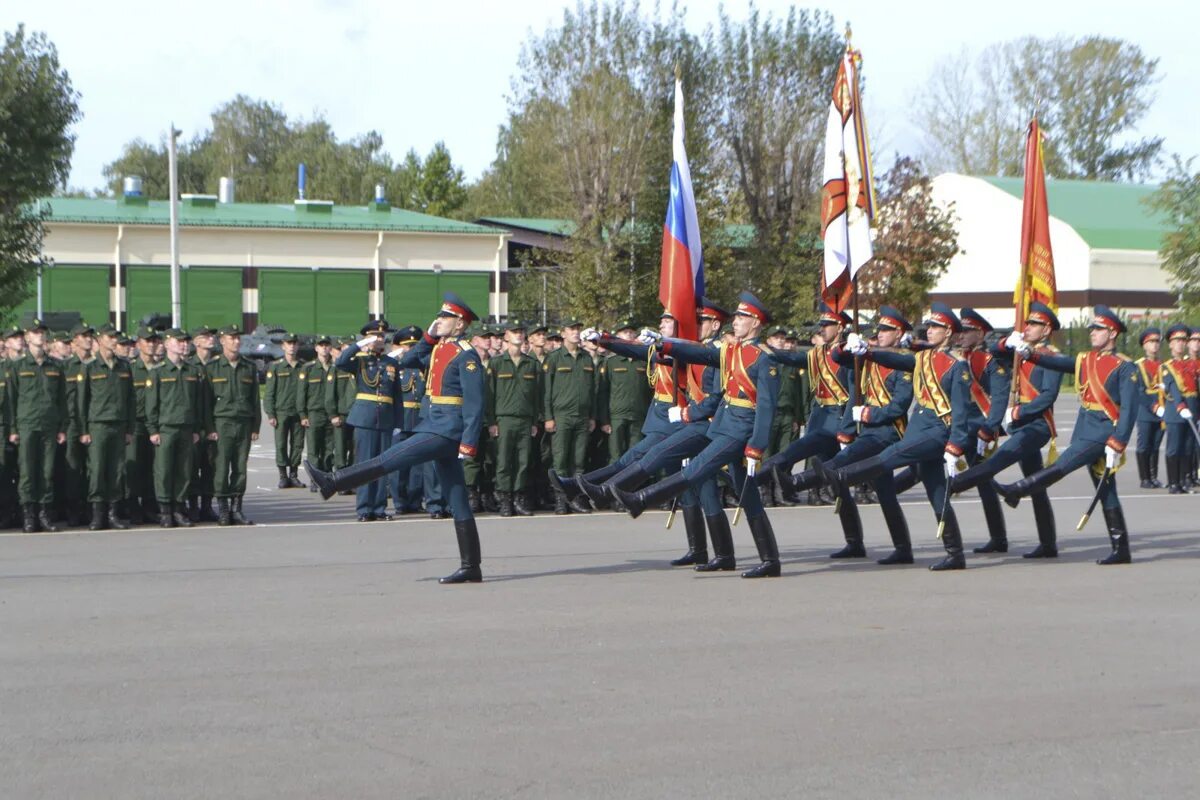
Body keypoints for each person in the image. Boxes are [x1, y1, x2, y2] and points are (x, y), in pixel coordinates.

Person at [306, 293, 487, 584]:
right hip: (435, 424)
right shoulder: (440, 348)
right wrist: (428, 337)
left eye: (445, 318)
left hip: (446, 429)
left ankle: (334, 481)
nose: (438, 320)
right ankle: (471, 566)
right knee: (457, 498)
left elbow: (476, 403)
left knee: (390, 458)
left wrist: (469, 442)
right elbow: (410, 360)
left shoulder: (466, 355)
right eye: (439, 316)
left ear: (459, 324)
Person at [613, 292, 783, 578]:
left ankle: (641, 500)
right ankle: (770, 560)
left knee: (696, 469)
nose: (737, 321)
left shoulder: (764, 358)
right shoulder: (731, 350)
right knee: (748, 497)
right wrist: (665, 344)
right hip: (725, 425)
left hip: (740, 430)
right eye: (738, 316)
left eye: (742, 317)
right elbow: (700, 353)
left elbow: (766, 407)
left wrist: (757, 446)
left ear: (755, 323)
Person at [805, 303, 974, 571]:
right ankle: (954, 553)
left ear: (949, 332)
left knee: (890, 456)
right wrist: (868, 352)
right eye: (929, 326)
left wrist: (955, 446)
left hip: (937, 431)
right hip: (920, 429)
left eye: (936, 327)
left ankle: (842, 476)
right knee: (936, 492)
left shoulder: (957, 366)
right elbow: (895, 360)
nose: (929, 331)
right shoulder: (922, 358)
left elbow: (962, 411)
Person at [995, 305, 1138, 565]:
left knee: (1063, 464)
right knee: (1105, 489)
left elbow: (1129, 410)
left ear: (1113, 333)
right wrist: (1031, 355)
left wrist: (1119, 442)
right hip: (1085, 428)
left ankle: (1017, 489)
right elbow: (1060, 363)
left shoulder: (1125, 367)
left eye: (1098, 329)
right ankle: (1121, 548)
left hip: (1103, 433)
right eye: (1092, 328)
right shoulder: (1085, 359)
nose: (1092, 333)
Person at [773, 306, 916, 563]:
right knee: (885, 492)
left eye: (886, 330)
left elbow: (900, 404)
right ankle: (883, 546)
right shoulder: (869, 356)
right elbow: (839, 359)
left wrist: (870, 415)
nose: (880, 334)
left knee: (845, 461)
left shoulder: (903, 362)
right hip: (868, 430)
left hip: (887, 431)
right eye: (879, 329)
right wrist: (847, 347)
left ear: (899, 333)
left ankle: (797, 482)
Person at [948, 302, 1063, 558]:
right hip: (1017, 424)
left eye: (1033, 325)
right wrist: (1007, 343)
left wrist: (1015, 414)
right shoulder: (1018, 353)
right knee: (1035, 483)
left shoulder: (1050, 358)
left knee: (992, 468)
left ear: (1046, 331)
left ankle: (954, 485)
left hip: (1035, 425)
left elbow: (1047, 397)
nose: (1027, 328)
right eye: (1028, 323)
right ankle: (1045, 543)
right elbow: (997, 349)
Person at [954, 308, 1011, 553]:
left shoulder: (990, 361)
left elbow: (998, 399)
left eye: (968, 331)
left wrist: (989, 429)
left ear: (981, 333)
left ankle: (998, 538)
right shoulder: (960, 357)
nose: (963, 335)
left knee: (983, 483)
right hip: (960, 427)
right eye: (962, 330)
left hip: (978, 429)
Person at [335, 319, 402, 521]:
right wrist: (358, 345)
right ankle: (364, 508)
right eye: (375, 336)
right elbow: (340, 362)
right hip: (365, 418)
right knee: (365, 464)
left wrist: (398, 424)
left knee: (381, 465)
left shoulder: (391, 363)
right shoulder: (360, 360)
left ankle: (379, 508)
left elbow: (397, 396)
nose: (379, 339)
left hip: (386, 419)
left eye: (382, 336)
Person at [146, 329, 212, 528]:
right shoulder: (157, 371)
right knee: (164, 471)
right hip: (166, 428)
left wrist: (196, 429)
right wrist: (153, 430)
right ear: (167, 344)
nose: (184, 345)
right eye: (179, 341)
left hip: (187, 428)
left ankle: (179, 509)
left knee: (184, 471)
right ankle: (165, 510)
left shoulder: (192, 371)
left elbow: (198, 403)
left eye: (185, 341)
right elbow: (152, 404)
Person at [9, 319, 68, 532]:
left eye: (42, 332)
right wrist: (13, 429)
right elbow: (11, 399)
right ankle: (29, 515)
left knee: (47, 471)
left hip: (49, 425)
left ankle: (44, 513)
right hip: (27, 424)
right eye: (35, 332)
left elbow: (62, 400)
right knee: (27, 471)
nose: (40, 336)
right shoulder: (17, 366)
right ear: (27, 337)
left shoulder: (55, 366)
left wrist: (62, 427)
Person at [78, 323, 136, 530]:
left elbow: (131, 399)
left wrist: (130, 429)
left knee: (117, 470)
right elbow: (82, 402)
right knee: (97, 470)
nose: (114, 341)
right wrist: (83, 430)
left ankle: (112, 513)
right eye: (110, 337)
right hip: (97, 425)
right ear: (100, 340)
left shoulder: (124, 366)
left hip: (119, 425)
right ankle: (97, 514)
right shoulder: (90, 367)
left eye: (115, 337)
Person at [205, 324, 261, 525]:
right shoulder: (212, 367)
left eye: (238, 338)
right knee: (221, 468)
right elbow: (206, 402)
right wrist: (210, 428)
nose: (236, 341)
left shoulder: (249, 366)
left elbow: (254, 400)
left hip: (243, 424)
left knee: (240, 468)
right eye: (232, 338)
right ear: (222, 341)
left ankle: (237, 508)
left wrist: (255, 427)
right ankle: (223, 510)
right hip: (222, 423)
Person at [542, 318, 598, 514]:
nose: (575, 332)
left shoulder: (586, 358)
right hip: (561, 415)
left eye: (577, 329)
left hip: (582, 416)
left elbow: (593, 390)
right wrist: (548, 417)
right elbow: (546, 390)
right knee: (561, 460)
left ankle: (577, 497)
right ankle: (561, 499)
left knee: (580, 461)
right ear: (563, 333)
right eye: (571, 329)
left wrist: (592, 416)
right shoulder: (555, 358)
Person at [486, 319, 541, 517]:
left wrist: (535, 421)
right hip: (504, 419)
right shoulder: (496, 363)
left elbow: (537, 396)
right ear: (506, 336)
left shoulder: (531, 364)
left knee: (523, 461)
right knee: (503, 462)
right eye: (514, 332)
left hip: (525, 419)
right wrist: (492, 422)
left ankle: (519, 497)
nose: (518, 335)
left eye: (521, 332)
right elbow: (489, 395)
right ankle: (505, 499)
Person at [384, 326, 425, 514]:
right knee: (399, 464)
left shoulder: (422, 367)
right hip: (401, 419)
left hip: (420, 419)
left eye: (415, 346)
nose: (411, 350)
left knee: (418, 465)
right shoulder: (394, 368)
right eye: (408, 346)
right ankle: (400, 501)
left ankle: (415, 501)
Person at [126, 327, 161, 524]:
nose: (151, 344)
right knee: (133, 467)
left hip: (156, 424)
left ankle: (150, 506)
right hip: (137, 423)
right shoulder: (131, 369)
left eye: (155, 341)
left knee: (154, 467)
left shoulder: (161, 368)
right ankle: (132, 506)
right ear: (138, 344)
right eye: (147, 341)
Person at [264, 332, 306, 489]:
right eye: (289, 343)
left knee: (297, 445)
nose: (292, 346)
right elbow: (269, 392)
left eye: (295, 343)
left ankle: (293, 475)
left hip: (299, 412)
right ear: (283, 346)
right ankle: (283, 475)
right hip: (281, 412)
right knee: (281, 444)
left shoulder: (304, 367)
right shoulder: (276, 367)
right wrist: (270, 413)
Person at [186, 326, 220, 521]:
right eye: (205, 337)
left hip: (215, 424)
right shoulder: (190, 366)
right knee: (192, 467)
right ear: (196, 342)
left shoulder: (217, 365)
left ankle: (207, 506)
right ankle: (192, 506)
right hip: (195, 425)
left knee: (210, 467)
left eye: (211, 336)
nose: (210, 339)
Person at [1158, 324, 1197, 494]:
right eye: (1177, 341)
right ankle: (1173, 483)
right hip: (1176, 411)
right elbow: (1173, 387)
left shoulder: (1191, 365)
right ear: (1171, 344)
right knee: (1174, 447)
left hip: (1193, 410)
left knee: (1188, 447)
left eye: (1183, 340)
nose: (1181, 344)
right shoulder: (1167, 367)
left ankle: (1183, 481)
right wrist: (1181, 406)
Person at [298, 335, 337, 493]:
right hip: (314, 412)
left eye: (327, 345)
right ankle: (315, 479)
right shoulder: (308, 368)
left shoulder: (335, 367)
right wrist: (302, 415)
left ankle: (326, 476)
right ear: (316, 348)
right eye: (321, 345)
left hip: (331, 413)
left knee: (329, 448)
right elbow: (301, 393)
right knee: (314, 448)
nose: (324, 348)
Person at [1134, 327, 1165, 489]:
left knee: (1156, 444)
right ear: (1144, 345)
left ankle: (1153, 476)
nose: (1155, 345)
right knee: (1144, 444)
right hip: (1145, 411)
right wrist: (1153, 406)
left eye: (1157, 342)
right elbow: (1139, 391)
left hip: (1162, 410)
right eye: (1151, 342)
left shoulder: (1163, 365)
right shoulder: (1138, 366)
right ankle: (1144, 478)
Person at [326, 337, 357, 478]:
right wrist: (333, 414)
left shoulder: (359, 366)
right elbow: (330, 395)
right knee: (340, 449)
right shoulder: (337, 369)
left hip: (357, 414)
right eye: (345, 347)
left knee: (355, 449)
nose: (348, 349)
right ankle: (341, 479)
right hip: (342, 414)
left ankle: (352, 478)